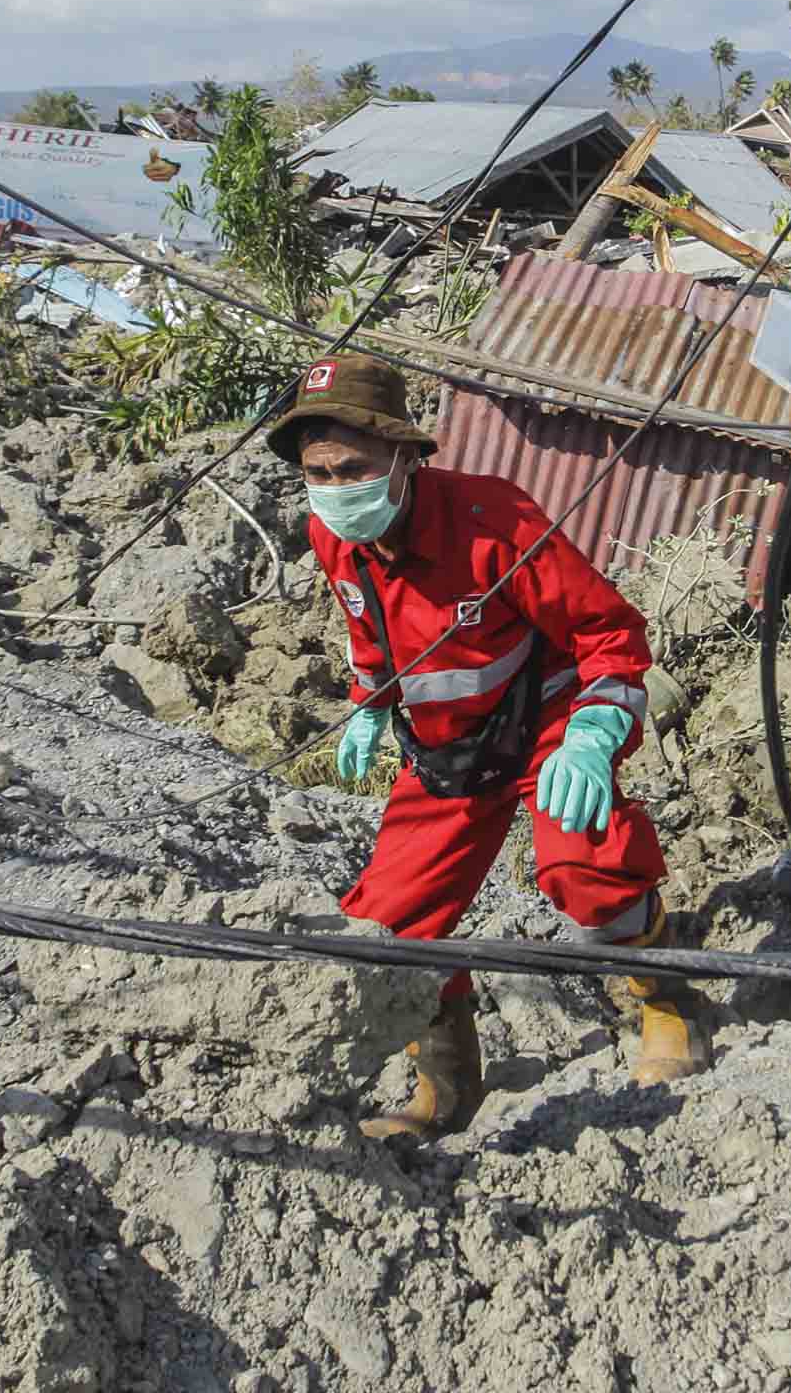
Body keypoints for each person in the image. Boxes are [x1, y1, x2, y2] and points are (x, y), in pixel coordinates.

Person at [269, 355, 707, 1140]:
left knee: (585, 866)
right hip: (449, 752)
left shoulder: (494, 524)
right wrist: (368, 704)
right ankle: (446, 1089)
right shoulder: (334, 536)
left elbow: (608, 634)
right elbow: (369, 632)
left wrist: (593, 735)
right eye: (319, 472)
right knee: (396, 920)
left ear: (405, 457)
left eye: (354, 468)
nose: (337, 488)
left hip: (544, 723)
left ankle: (669, 1001)